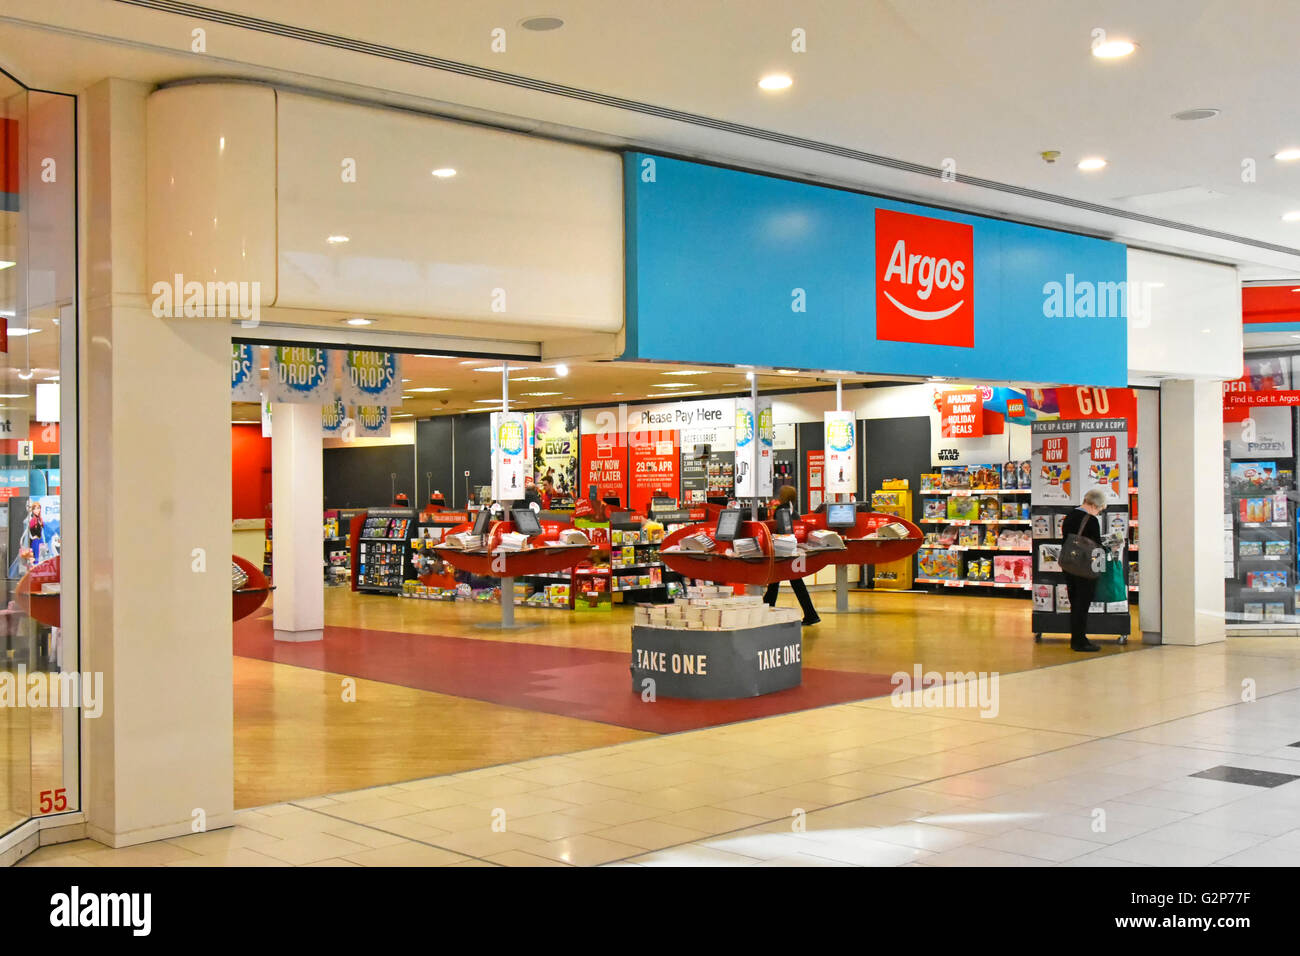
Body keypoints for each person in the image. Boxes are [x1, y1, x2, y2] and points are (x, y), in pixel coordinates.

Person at [764, 485, 820, 626]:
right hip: (792, 549)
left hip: (782, 550)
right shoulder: (794, 511)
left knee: (786, 581)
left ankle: (810, 614)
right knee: (779, 582)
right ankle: (768, 608)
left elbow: (777, 528)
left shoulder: (780, 510)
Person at [1061, 488, 1108, 652]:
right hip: (1084, 568)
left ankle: (1077, 638)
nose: (1100, 511)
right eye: (1100, 508)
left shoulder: (1069, 516)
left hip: (1069, 565)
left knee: (1075, 602)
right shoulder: (1091, 520)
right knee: (1083, 604)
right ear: (1095, 505)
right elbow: (1095, 545)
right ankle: (1079, 641)